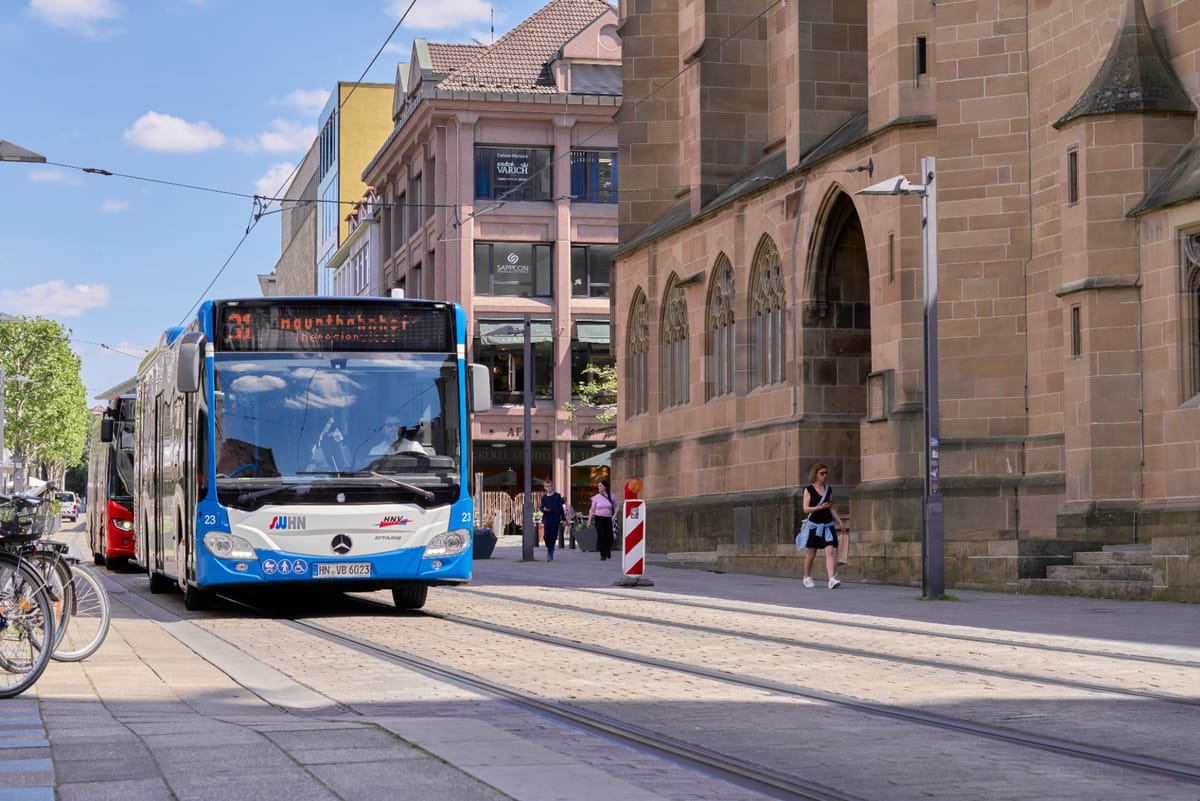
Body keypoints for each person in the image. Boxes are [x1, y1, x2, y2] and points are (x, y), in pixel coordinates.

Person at [798, 463, 848, 589]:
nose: (824, 476)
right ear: (815, 474)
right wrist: (820, 507)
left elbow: (831, 508)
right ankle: (807, 576)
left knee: (830, 551)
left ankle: (831, 579)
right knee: (811, 553)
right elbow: (805, 509)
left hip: (827, 525)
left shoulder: (828, 490)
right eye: (822, 473)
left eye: (826, 473)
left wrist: (840, 522)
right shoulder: (808, 490)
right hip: (814, 525)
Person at [587, 479, 617, 561]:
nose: (598, 487)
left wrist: (614, 515)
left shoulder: (612, 496)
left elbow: (617, 506)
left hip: (608, 518)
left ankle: (608, 549)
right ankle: (602, 555)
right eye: (598, 485)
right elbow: (592, 510)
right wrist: (589, 521)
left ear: (605, 487)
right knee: (601, 537)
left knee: (610, 537)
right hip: (599, 518)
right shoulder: (596, 498)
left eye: (600, 485)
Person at [538, 480, 566, 561]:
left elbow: (561, 508)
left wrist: (563, 519)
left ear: (552, 486)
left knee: (553, 536)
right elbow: (541, 507)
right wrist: (544, 509)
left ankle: (550, 553)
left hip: (555, 518)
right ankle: (549, 548)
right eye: (547, 486)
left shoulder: (557, 496)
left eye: (549, 486)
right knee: (546, 536)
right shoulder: (544, 497)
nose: (548, 488)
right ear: (544, 488)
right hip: (547, 518)